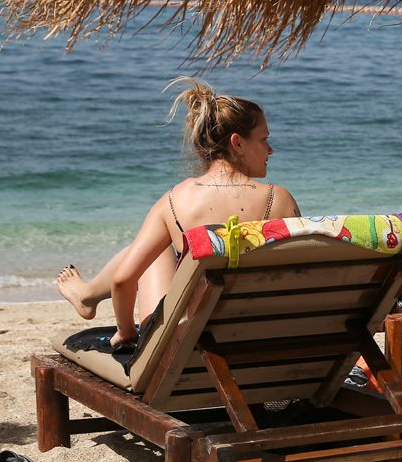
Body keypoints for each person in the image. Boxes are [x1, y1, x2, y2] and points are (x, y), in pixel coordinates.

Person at [56, 77, 301, 348]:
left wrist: (127, 333)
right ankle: (87, 295)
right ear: (237, 143)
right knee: (164, 248)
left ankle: (87, 295)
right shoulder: (280, 199)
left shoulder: (174, 201)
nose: (270, 149)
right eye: (264, 139)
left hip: (188, 346)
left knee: (156, 248)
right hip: (259, 338)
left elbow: (123, 280)